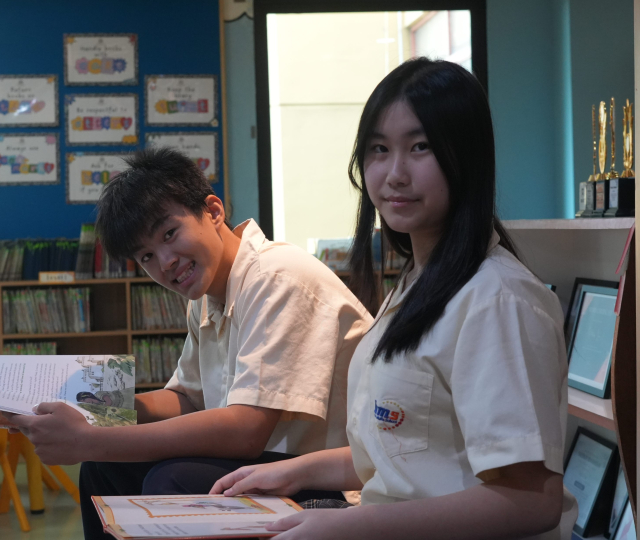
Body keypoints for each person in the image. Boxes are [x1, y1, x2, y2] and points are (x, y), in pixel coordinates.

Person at [210, 58, 578, 539]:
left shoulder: (498, 300)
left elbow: (532, 500)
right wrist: (292, 472)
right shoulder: (418, 282)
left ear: (466, 156)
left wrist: (353, 525)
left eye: (421, 147)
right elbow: (402, 454)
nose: (395, 174)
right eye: (379, 149)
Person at [3, 147, 372, 539]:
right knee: (104, 468)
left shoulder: (277, 277)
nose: (165, 262)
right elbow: (188, 399)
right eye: (146, 256)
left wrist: (90, 439)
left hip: (337, 482)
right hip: (274, 465)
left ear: (213, 211)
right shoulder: (208, 295)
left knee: (173, 480)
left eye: (169, 234)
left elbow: (246, 432)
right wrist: (85, 403)